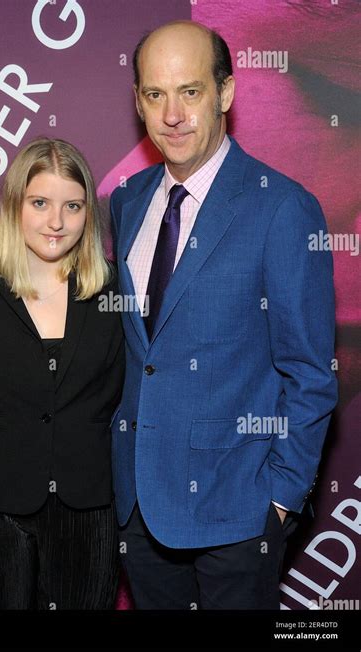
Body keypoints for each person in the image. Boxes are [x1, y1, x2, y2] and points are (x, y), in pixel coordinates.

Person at [110, 21, 337, 609]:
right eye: (155, 95)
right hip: (138, 506)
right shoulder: (128, 202)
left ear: (226, 94)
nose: (173, 114)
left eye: (190, 91)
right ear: (138, 102)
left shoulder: (282, 206)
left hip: (237, 517)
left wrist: (279, 502)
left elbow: (310, 372)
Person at [0, 137, 125, 609]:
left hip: (89, 521)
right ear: (15, 202)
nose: (56, 222)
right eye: (40, 203)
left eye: (72, 206)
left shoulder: (113, 291)